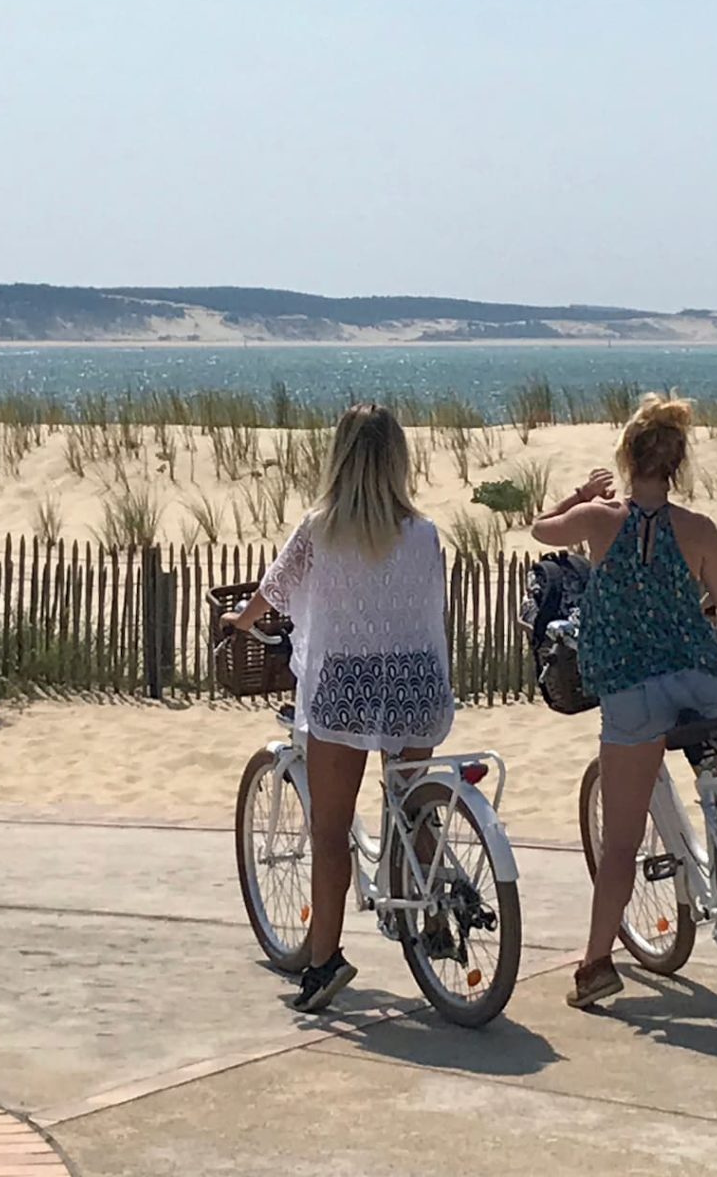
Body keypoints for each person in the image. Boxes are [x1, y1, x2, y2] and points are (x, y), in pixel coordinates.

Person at [223, 403, 456, 1012]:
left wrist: (238, 622)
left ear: (341, 458)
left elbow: (272, 591)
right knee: (410, 802)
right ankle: (435, 905)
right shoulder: (425, 532)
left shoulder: (319, 527)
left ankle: (323, 962)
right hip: (416, 683)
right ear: (398, 460)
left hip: (345, 688)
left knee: (331, 833)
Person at [530, 392, 717, 1008]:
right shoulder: (699, 530)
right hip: (703, 683)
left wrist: (578, 496)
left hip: (632, 690)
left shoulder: (600, 521)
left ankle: (597, 965)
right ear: (676, 465)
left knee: (620, 842)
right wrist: (693, 605)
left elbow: (541, 530)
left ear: (627, 458)